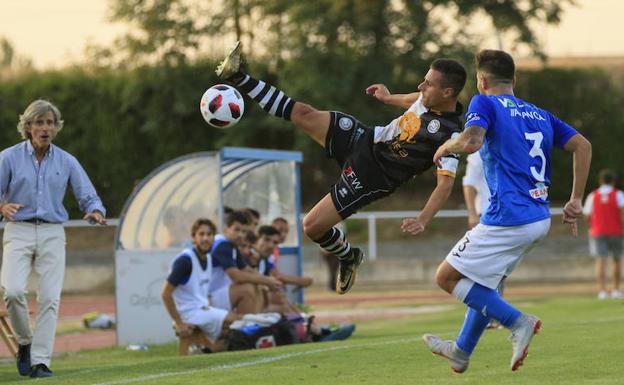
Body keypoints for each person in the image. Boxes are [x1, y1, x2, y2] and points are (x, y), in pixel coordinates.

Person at [217, 41, 467, 294]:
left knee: (312, 226)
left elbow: (445, 184)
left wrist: (423, 219)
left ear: (447, 93)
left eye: (429, 83)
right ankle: (238, 76)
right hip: (364, 139)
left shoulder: (451, 135)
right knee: (303, 113)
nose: (421, 86)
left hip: (372, 177)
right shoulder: (428, 98)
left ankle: (348, 256)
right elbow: (415, 99)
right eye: (424, 80)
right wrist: (388, 98)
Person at [418, 49, 591, 373]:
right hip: (538, 217)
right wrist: (576, 198)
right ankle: (461, 352)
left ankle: (518, 322)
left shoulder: (485, 103)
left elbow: (471, 141)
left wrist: (445, 146)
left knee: (447, 277)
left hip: (508, 216)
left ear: (481, 81)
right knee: (482, 285)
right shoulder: (539, 113)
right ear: (514, 79)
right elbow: (583, 145)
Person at [0, 100, 107, 378]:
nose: (45, 128)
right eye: (39, 122)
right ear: (28, 127)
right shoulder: (8, 158)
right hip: (18, 230)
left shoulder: (67, 161)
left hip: (52, 232)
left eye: (49, 123)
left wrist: (94, 210)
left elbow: (88, 195)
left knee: (49, 298)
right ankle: (25, 342)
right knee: (11, 292)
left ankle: (40, 362)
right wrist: (2, 206)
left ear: (56, 128)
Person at [161, 218, 242, 353]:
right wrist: (179, 323)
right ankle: (202, 348)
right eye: (201, 234)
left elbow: (202, 293)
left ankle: (205, 351)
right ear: (193, 238)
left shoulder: (208, 258)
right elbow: (165, 294)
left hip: (200, 310)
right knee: (235, 321)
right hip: (188, 313)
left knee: (225, 338)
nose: (205, 238)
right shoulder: (185, 261)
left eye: (209, 234)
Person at [209, 210, 283, 313]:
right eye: (236, 230)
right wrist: (266, 281)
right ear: (226, 229)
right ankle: (243, 326)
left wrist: (267, 281)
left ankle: (254, 322)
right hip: (208, 298)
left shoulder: (233, 245)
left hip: (217, 294)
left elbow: (245, 269)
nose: (240, 234)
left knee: (260, 288)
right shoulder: (223, 244)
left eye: (243, 232)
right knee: (247, 289)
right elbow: (237, 276)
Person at [462, 151, 504, 329]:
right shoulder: (478, 154)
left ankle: (492, 313)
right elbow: (469, 184)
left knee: (497, 268)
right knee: (486, 267)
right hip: (487, 214)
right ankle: (487, 312)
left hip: (501, 213)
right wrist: (472, 213)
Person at [583, 169, 624, 299]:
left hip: (598, 231)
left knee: (601, 260)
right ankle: (617, 290)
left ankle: (602, 291)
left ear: (601, 181)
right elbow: (622, 214)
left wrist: (592, 226)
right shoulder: (618, 195)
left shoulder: (592, 195)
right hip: (616, 231)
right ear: (613, 181)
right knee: (617, 260)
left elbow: (587, 215)